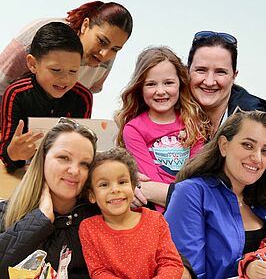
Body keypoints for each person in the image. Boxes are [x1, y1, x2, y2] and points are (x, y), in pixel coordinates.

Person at [166, 110, 266, 279]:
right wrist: (245, 269)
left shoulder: (265, 197)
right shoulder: (191, 193)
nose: (257, 158)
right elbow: (189, 272)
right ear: (224, 146)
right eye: (248, 145)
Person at [115, 46, 212, 210]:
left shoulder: (194, 123)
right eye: (151, 84)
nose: (160, 91)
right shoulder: (133, 129)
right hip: (156, 212)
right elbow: (150, 182)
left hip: (191, 210)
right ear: (140, 87)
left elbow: (195, 174)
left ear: (180, 84)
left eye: (168, 83)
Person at [0, 119, 98, 278]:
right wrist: (40, 219)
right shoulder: (5, 211)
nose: (74, 171)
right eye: (64, 157)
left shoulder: (97, 218)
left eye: (84, 164)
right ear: (43, 159)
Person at [187, 31, 266, 179]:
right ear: (187, 71)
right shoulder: (166, 110)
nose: (209, 81)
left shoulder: (258, 121)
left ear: (234, 76)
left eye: (220, 72)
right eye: (201, 70)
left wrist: (160, 191)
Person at [79, 147, 183, 279]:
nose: (115, 189)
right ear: (92, 195)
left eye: (122, 182)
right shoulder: (88, 228)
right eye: (104, 185)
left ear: (133, 187)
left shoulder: (155, 220)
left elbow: (171, 263)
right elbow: (98, 272)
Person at [1, 22, 92, 171]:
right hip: (24, 172)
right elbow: (6, 153)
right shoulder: (16, 93)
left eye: (73, 71)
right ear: (32, 64)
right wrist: (13, 153)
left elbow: (80, 146)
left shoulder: (83, 97)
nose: (65, 79)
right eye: (56, 70)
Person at [0, 1, 133, 95]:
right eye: (102, 41)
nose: (104, 55)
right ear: (85, 26)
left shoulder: (105, 58)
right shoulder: (37, 37)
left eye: (115, 49)